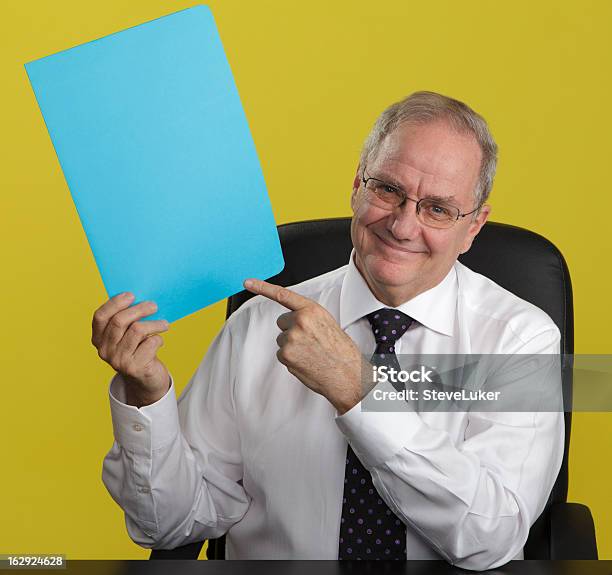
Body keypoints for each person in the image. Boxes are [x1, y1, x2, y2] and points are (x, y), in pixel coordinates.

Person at [95, 91, 564, 570]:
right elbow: (171, 524)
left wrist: (357, 389)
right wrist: (146, 397)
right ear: (358, 183)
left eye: (438, 210)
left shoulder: (522, 340)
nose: (403, 226)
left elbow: (490, 537)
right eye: (388, 190)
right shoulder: (257, 326)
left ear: (473, 227)